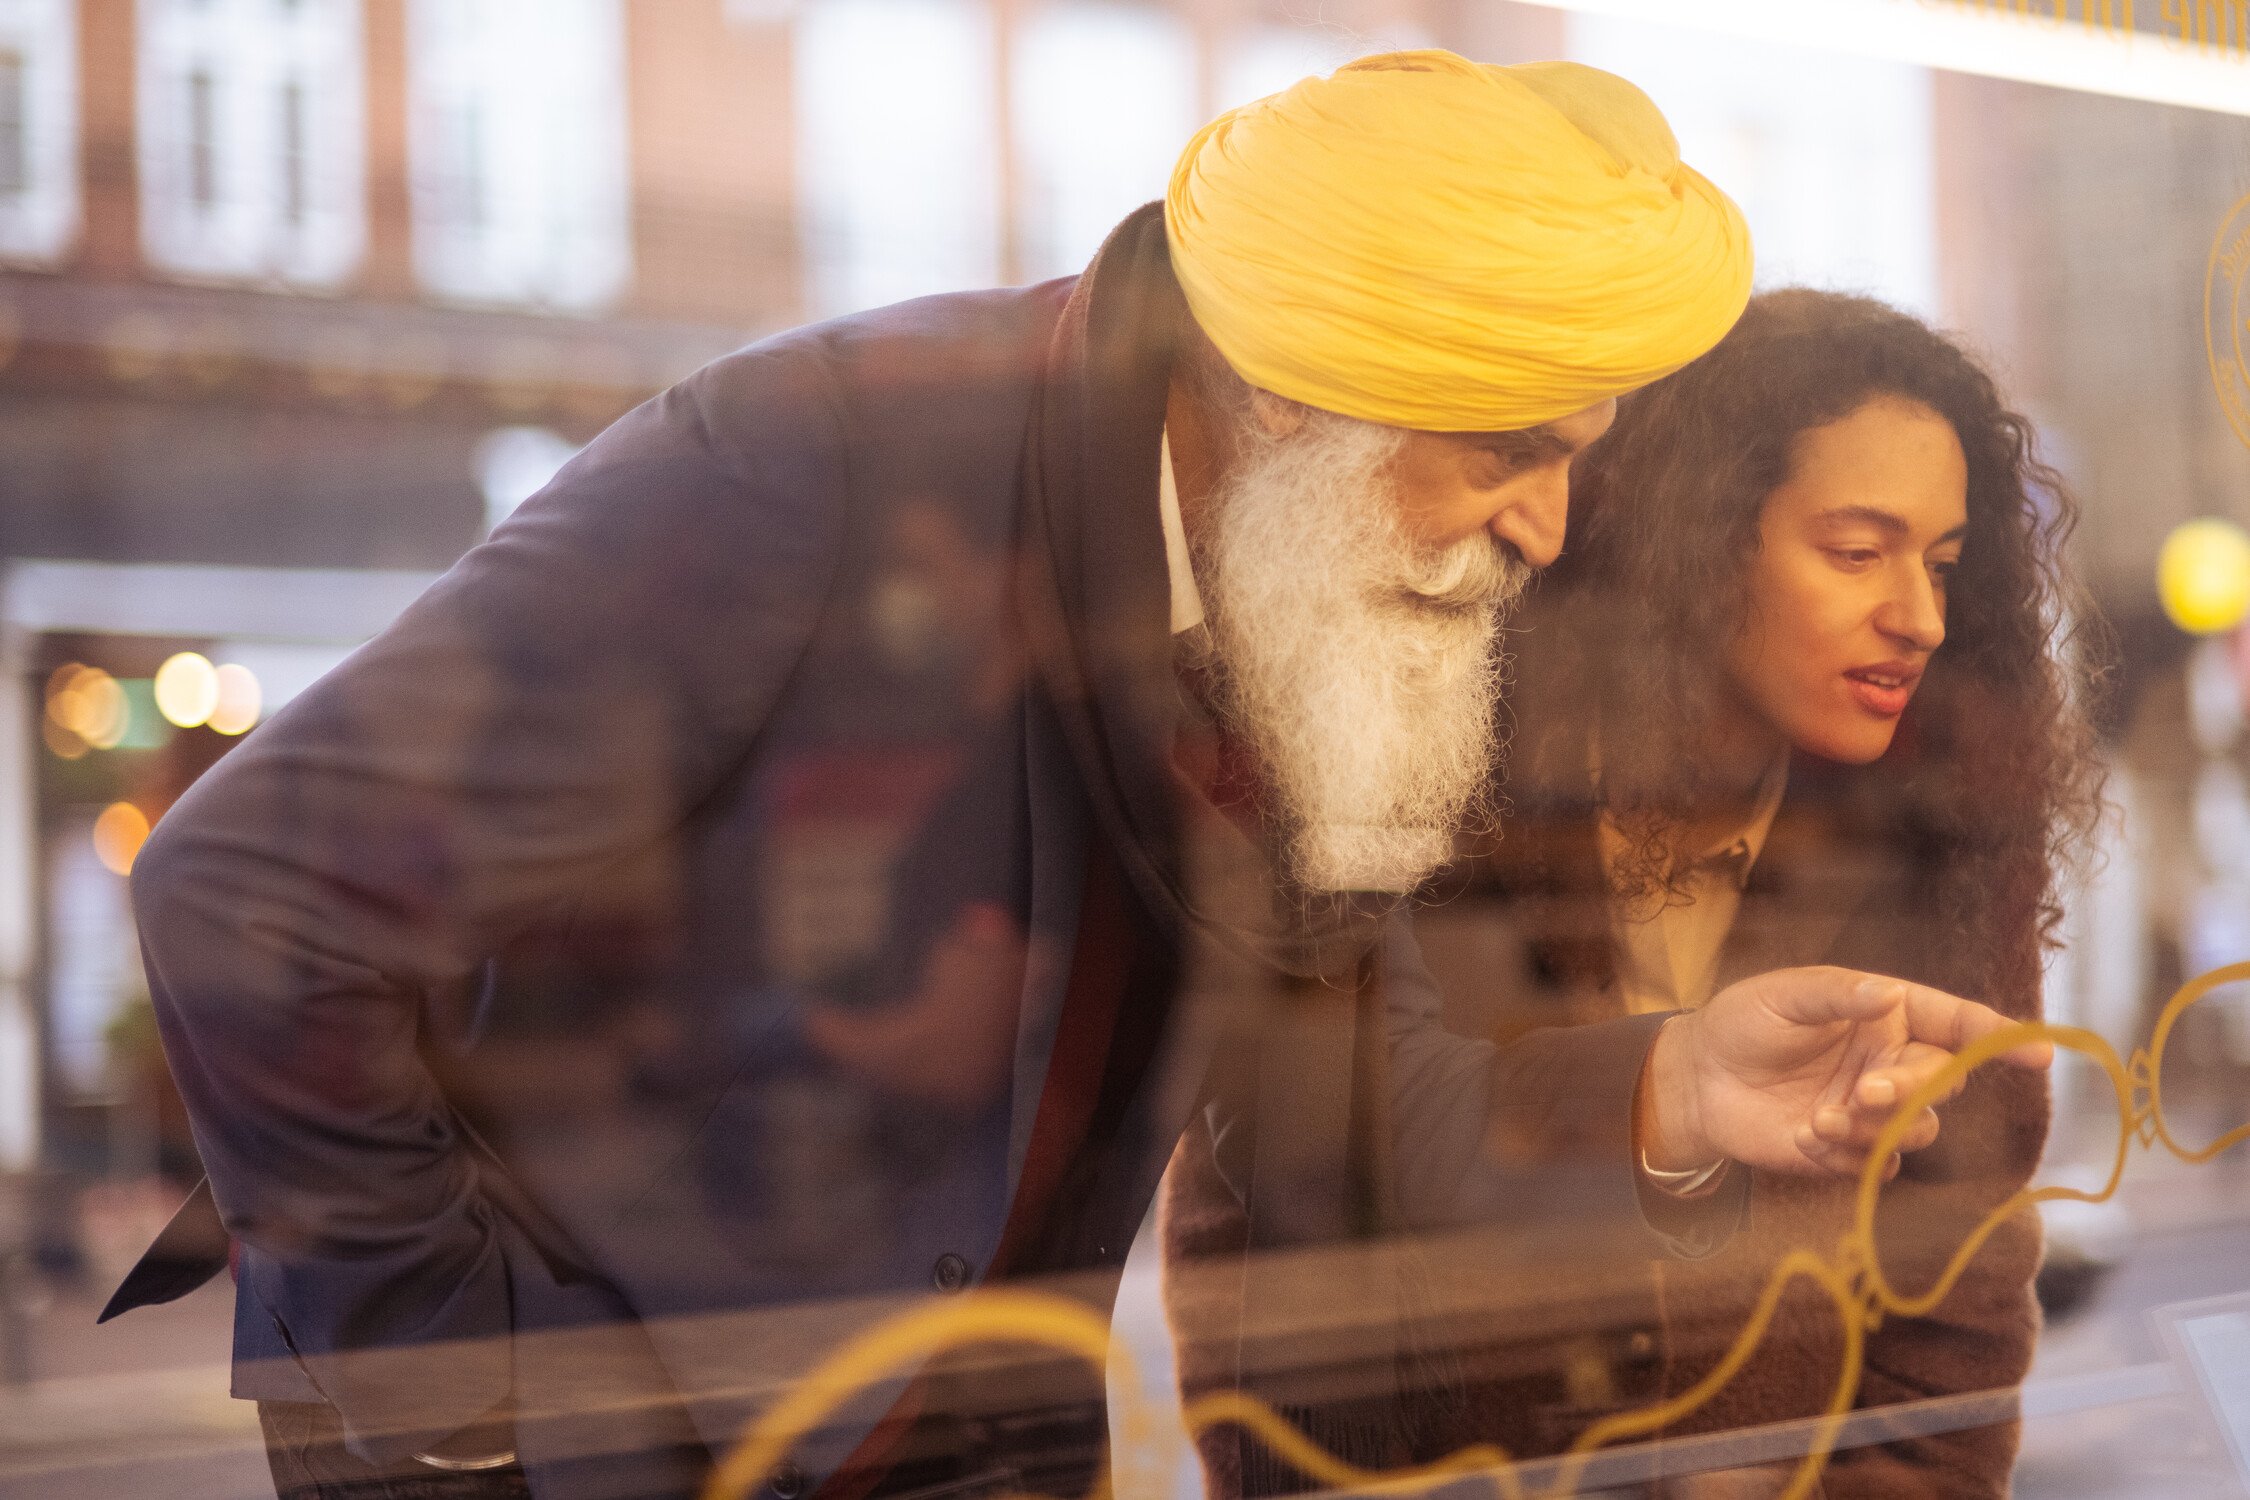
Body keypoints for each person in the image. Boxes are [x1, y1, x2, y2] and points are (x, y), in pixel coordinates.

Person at [103, 56, 2047, 1500]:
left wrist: (1673, 1086)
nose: (1545, 532)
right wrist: (465, 1406)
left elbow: (1341, 1110)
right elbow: (250, 898)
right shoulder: (814, 459)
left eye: (1579, 461)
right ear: (1295, 397)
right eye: (1502, 454)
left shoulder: (1319, 599)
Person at [1164, 289, 2102, 1497]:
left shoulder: (1945, 844)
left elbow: (1958, 1297)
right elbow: (1263, 1216)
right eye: (1857, 552)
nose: (1918, 617)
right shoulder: (1425, 754)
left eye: (1944, 564)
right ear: (1695, 533)